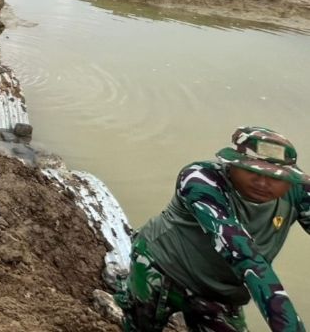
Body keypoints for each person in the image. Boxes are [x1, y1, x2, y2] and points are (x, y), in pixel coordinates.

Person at [115, 126, 309, 332]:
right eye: (251, 170)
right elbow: (244, 255)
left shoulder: (298, 193)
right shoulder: (200, 180)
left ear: (290, 180)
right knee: (139, 326)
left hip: (220, 291)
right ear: (231, 165)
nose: (262, 182)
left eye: (275, 177)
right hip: (162, 266)